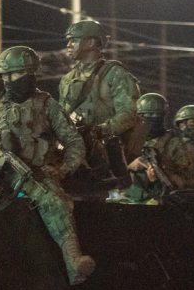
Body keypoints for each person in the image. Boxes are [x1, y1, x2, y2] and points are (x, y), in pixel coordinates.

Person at [0, 45, 94, 285]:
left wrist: (62, 170)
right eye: (5, 76)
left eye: (15, 75)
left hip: (32, 175)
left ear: (30, 74)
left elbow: (74, 143)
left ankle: (74, 262)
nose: (9, 81)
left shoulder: (46, 105)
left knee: (54, 202)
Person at [58, 20, 142, 181]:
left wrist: (97, 131)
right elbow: (60, 118)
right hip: (73, 155)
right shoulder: (67, 80)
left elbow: (129, 114)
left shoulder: (115, 74)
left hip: (105, 159)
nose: (68, 44)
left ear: (90, 42)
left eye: (73, 40)